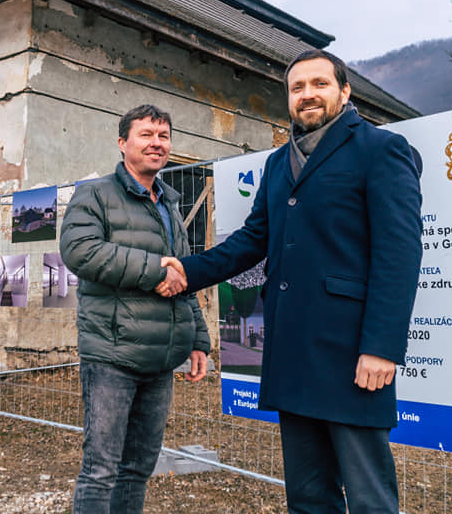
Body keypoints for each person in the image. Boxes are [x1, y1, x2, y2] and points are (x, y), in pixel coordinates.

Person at [163, 50, 422, 514]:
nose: (307, 95)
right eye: (297, 87)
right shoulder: (279, 163)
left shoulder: (381, 150)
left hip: (351, 353)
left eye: (319, 84)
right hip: (292, 349)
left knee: (370, 500)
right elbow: (252, 240)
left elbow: (399, 254)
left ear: (344, 92)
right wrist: (189, 270)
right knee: (306, 496)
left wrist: (382, 346)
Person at [60, 104, 210, 514]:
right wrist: (153, 267)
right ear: (123, 142)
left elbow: (183, 278)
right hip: (112, 354)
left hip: (161, 358)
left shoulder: (170, 204)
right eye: (146, 135)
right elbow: (80, 251)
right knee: (101, 468)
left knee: (138, 467)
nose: (156, 144)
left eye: (163, 136)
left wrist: (198, 338)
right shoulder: (95, 193)